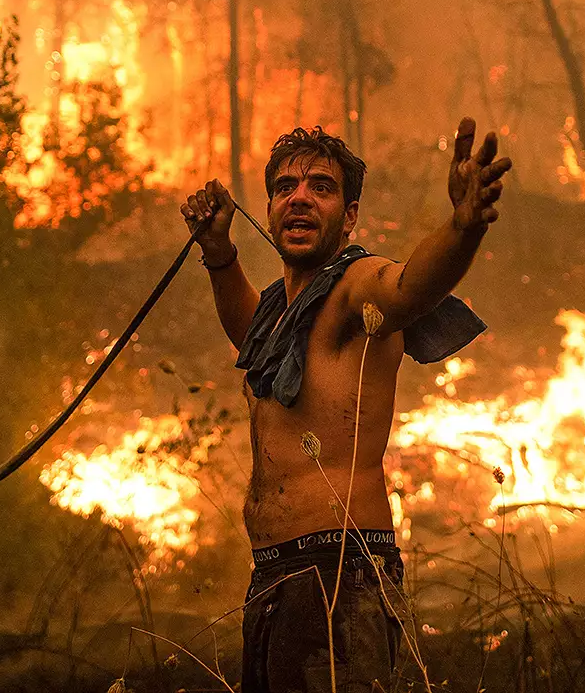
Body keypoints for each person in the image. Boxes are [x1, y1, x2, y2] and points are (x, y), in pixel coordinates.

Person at [181, 118, 511, 693]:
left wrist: (462, 228)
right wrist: (219, 253)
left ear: (350, 215)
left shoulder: (355, 287)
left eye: (321, 186)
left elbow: (408, 287)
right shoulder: (278, 315)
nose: (300, 197)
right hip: (273, 580)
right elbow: (248, 335)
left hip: (340, 576)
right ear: (271, 206)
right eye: (285, 187)